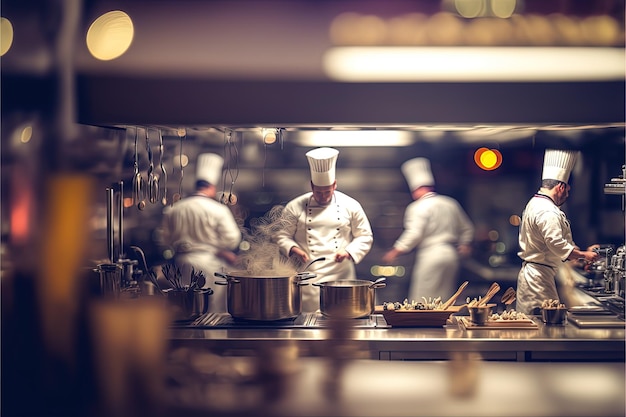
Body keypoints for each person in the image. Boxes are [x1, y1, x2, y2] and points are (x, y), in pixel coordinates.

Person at [274, 147, 374, 312]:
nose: (323, 196)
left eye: (327, 191)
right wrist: (294, 249)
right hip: (308, 273)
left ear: (334, 185)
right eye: (318, 192)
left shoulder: (351, 205)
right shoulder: (295, 206)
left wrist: (348, 252)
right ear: (311, 186)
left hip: (340, 275)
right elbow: (281, 235)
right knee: (308, 318)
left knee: (340, 316)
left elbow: (365, 236)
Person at [516, 149, 599, 315]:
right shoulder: (547, 211)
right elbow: (557, 244)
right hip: (538, 279)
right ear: (560, 187)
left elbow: (559, 247)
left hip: (538, 274)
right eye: (567, 191)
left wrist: (582, 257)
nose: (567, 195)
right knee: (539, 322)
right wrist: (583, 255)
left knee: (541, 320)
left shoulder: (536, 203)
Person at [382, 157, 474, 303]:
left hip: (431, 255)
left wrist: (395, 251)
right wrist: (465, 244)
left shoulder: (417, 207)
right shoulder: (450, 203)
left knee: (422, 300)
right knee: (445, 300)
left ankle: (423, 325)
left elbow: (414, 233)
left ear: (415, 189)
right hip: (451, 255)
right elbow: (467, 227)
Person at [161, 152, 241, 313]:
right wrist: (217, 249)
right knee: (212, 309)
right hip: (210, 264)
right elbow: (232, 239)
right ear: (212, 187)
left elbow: (164, 239)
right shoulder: (218, 209)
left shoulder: (174, 209)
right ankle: (211, 337)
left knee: (186, 308)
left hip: (181, 263)